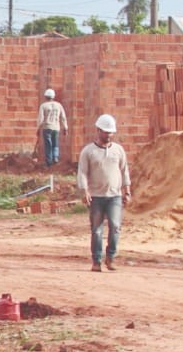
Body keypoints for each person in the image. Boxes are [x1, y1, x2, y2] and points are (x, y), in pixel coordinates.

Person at [77, 114, 131, 272]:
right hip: (96, 197)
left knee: (115, 226)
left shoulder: (118, 150)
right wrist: (85, 191)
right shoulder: (89, 151)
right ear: (98, 130)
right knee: (97, 230)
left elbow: (124, 171)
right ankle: (96, 261)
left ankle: (111, 257)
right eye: (106, 132)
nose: (109, 135)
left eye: (111, 132)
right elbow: (82, 172)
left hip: (114, 196)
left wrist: (127, 191)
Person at [37, 88, 68, 168]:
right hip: (56, 128)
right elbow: (63, 117)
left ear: (45, 96)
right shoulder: (59, 105)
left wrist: (38, 128)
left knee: (48, 145)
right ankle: (55, 157)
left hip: (47, 127)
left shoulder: (43, 106)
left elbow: (41, 119)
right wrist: (65, 127)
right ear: (53, 96)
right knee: (55, 143)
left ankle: (49, 162)